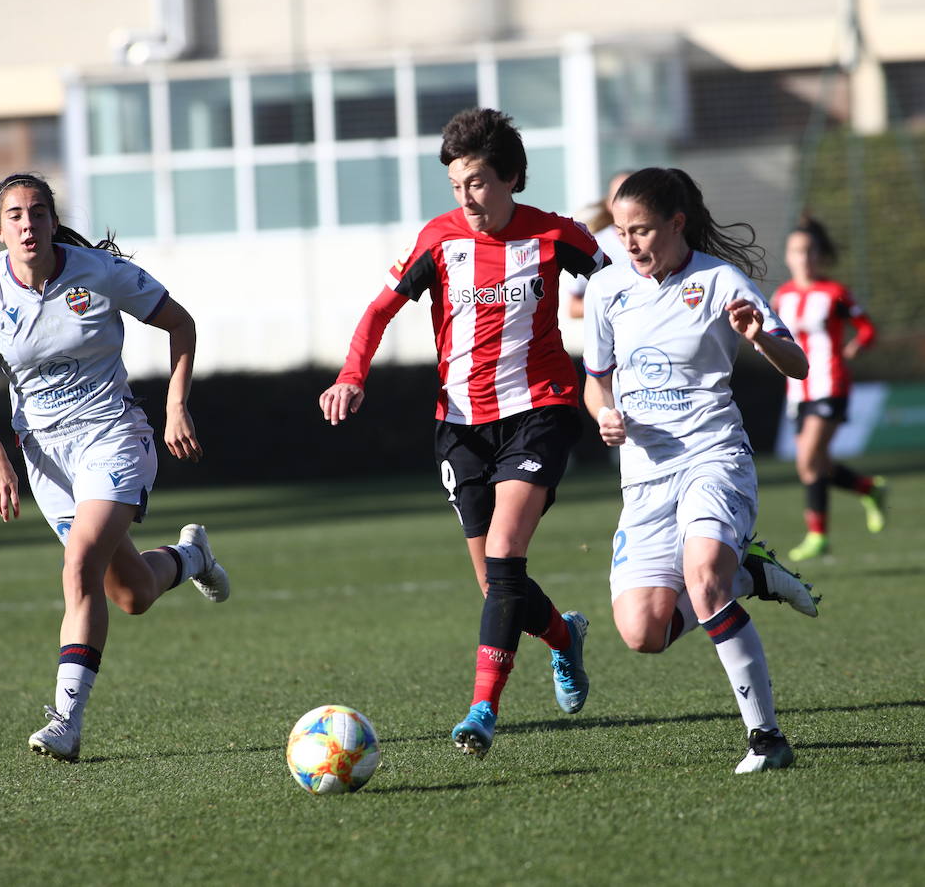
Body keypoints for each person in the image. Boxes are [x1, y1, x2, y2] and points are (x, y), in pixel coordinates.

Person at [318, 108, 608, 759]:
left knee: (506, 554)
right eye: (456, 186)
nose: (467, 198)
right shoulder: (438, 240)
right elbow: (380, 309)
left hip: (541, 408)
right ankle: (564, 637)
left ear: (511, 177)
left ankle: (482, 711)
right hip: (460, 424)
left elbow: (623, 290)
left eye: (477, 182)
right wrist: (351, 375)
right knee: (493, 584)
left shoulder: (558, 237)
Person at [0, 172, 229, 763]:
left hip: (113, 436)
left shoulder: (99, 273)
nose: (29, 224)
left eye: (39, 213)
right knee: (132, 594)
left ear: (53, 221)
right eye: (16, 216)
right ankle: (191, 557)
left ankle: (66, 722)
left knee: (78, 566)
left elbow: (181, 323)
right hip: (46, 458)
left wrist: (177, 406)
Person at [582, 167, 814, 774]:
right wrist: (605, 414)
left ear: (676, 223)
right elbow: (595, 383)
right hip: (645, 476)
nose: (629, 244)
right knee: (643, 633)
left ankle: (766, 739)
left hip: (714, 458)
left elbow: (798, 365)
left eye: (642, 231)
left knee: (703, 575)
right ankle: (749, 579)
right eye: (621, 231)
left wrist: (761, 337)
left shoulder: (719, 281)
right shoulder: (607, 290)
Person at [770, 216, 885, 562]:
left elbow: (867, 329)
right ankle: (868, 488)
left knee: (807, 459)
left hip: (830, 383)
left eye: (809, 251)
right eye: (796, 251)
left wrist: (856, 347)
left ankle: (818, 536)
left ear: (819, 256)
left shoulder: (835, 294)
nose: (803, 258)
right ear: (788, 256)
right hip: (797, 390)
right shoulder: (782, 296)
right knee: (812, 464)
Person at [566, 170, 633, 319]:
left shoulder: (661, 243)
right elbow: (574, 307)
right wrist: (623, 303)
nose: (626, 202)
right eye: (619, 195)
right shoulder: (594, 244)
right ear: (608, 203)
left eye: (632, 194)